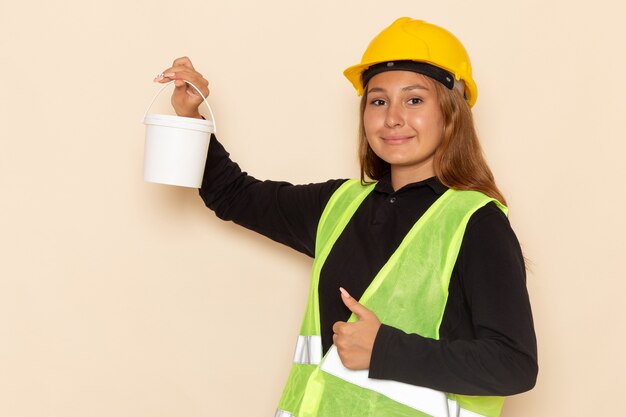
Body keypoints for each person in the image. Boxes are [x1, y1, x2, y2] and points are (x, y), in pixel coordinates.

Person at [154, 17, 537, 417]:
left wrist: (384, 349)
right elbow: (232, 194)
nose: (392, 118)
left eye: (414, 100)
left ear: (451, 113)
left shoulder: (476, 222)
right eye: (378, 100)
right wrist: (189, 116)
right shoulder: (339, 205)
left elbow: (514, 365)